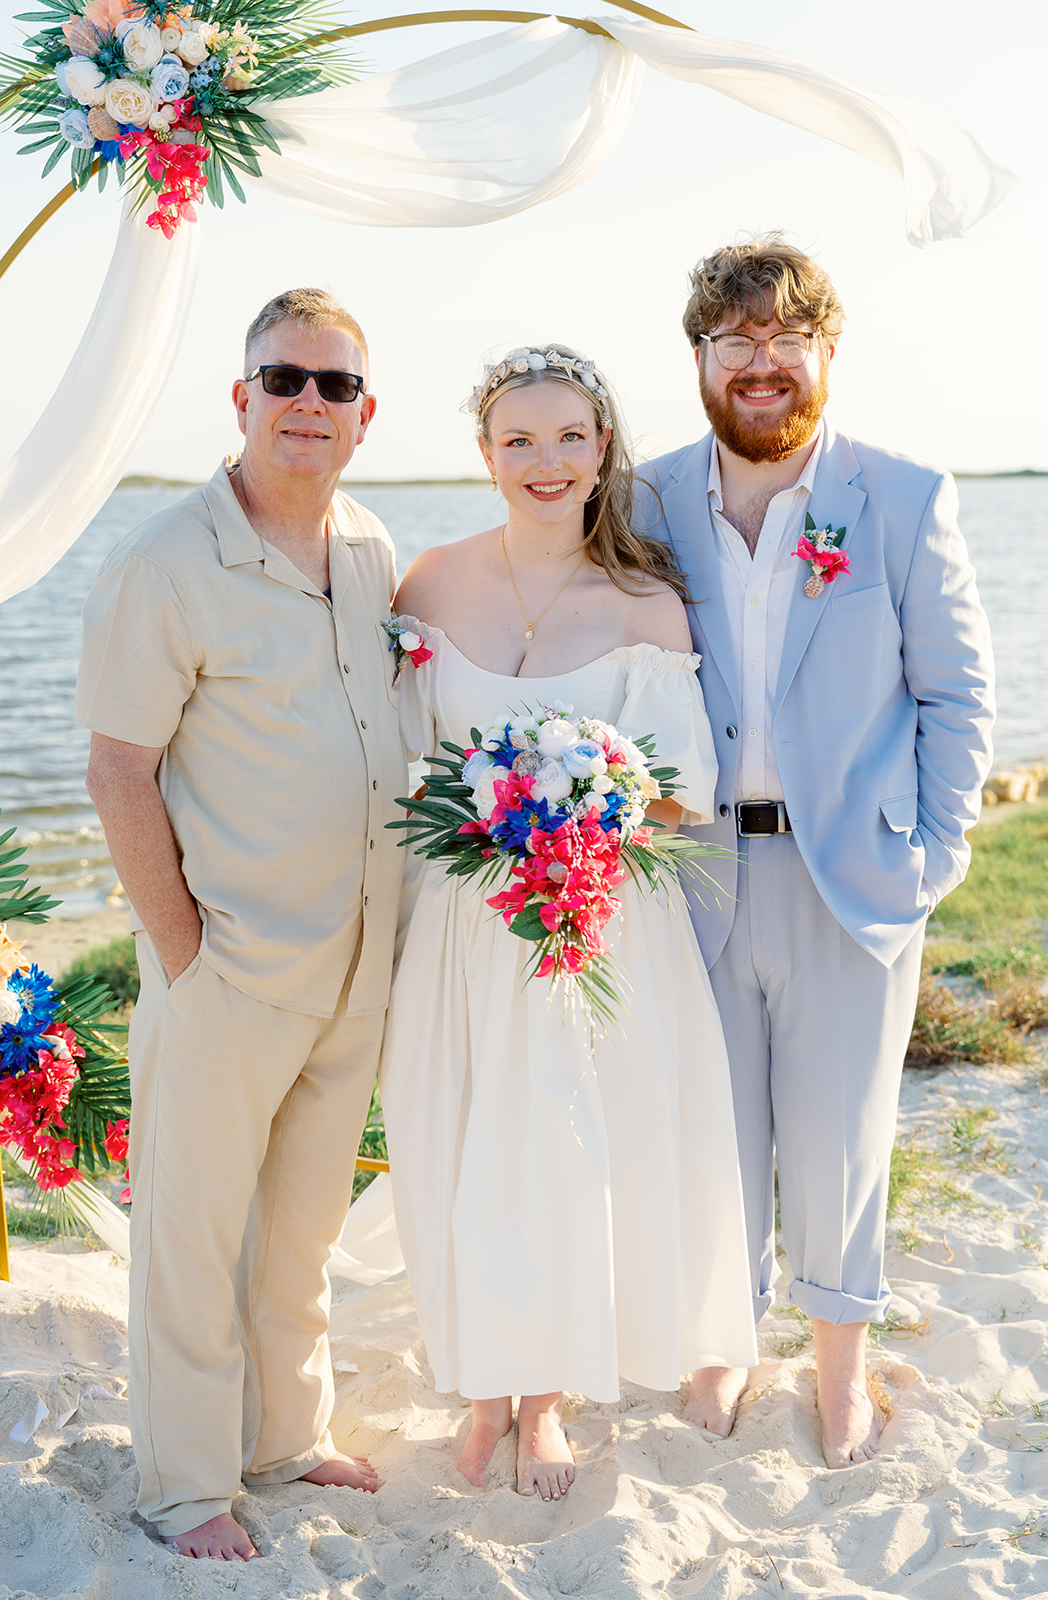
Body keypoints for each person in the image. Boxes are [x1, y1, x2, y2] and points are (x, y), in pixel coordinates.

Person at [636, 236, 995, 1465]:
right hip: (691, 877)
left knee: (841, 1137)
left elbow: (957, 698)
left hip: (851, 876)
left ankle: (838, 1366)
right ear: (698, 357)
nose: (759, 362)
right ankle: (720, 1346)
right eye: (732, 340)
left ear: (825, 352)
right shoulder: (639, 500)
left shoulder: (899, 496)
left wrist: (931, 855)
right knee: (711, 1131)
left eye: (785, 337)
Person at [379, 345, 758, 1502]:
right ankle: (481, 1386)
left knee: (565, 1143)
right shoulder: (429, 585)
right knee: (459, 1136)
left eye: (568, 438)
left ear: (602, 448)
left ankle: (541, 1401)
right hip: (461, 920)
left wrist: (588, 806)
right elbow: (395, 754)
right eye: (518, 440)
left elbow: (680, 783)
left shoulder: (646, 600)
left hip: (592, 921)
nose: (545, 462)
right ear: (484, 452)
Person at [75, 289, 408, 1559]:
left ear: (365, 416)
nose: (307, 404)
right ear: (241, 397)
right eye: (285, 379)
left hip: (352, 965)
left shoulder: (372, 548)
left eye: (334, 386)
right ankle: (183, 1483)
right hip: (227, 965)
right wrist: (181, 952)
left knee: (300, 1229)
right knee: (190, 1231)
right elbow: (118, 769)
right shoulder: (164, 562)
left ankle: (284, 1435)